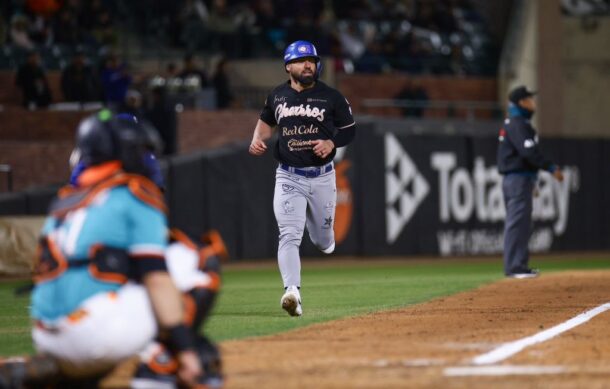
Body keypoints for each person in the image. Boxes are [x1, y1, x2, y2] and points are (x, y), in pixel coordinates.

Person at [1, 110, 205, 388]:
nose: (144, 156)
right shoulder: (135, 193)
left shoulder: (63, 201)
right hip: (92, 335)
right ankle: (159, 368)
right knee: (201, 256)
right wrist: (186, 349)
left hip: (44, 335)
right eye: (138, 149)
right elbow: (156, 277)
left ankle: (64, 376)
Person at [248, 40, 356, 317]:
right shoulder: (277, 96)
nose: (309, 64)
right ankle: (292, 292)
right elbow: (265, 122)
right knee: (289, 234)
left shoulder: (331, 97)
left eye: (312, 60)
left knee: (322, 242)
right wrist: (256, 140)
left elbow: (349, 130)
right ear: (289, 66)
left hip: (321, 177)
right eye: (302, 60)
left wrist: (332, 143)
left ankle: (320, 232)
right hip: (288, 176)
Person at [497, 85, 564, 279]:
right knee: (517, 223)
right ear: (521, 102)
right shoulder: (518, 123)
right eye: (529, 99)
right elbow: (528, 152)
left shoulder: (515, 122)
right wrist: (551, 167)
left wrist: (531, 180)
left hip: (519, 179)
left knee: (521, 223)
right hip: (517, 179)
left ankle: (519, 265)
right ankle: (514, 266)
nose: (533, 102)